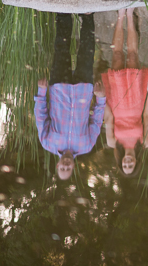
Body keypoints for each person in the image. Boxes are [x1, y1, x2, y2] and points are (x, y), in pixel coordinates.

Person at [35, 13, 105, 180]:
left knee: (61, 47)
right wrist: (101, 98)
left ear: (58, 165)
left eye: (62, 169)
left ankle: (64, 12)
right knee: (87, 51)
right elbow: (96, 121)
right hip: (84, 89)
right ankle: (87, 16)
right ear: (73, 167)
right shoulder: (87, 146)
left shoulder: (47, 143)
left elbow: (41, 116)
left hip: (59, 88)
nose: (65, 166)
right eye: (68, 169)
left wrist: (41, 92)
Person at [102, 8, 148, 176]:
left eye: (125, 166)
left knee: (116, 56)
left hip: (117, 103)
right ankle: (130, 16)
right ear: (136, 163)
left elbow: (108, 118)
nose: (128, 163)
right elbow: (146, 117)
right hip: (137, 103)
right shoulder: (144, 143)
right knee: (132, 56)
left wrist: (103, 97)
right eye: (131, 166)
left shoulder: (112, 143)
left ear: (121, 163)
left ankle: (120, 15)